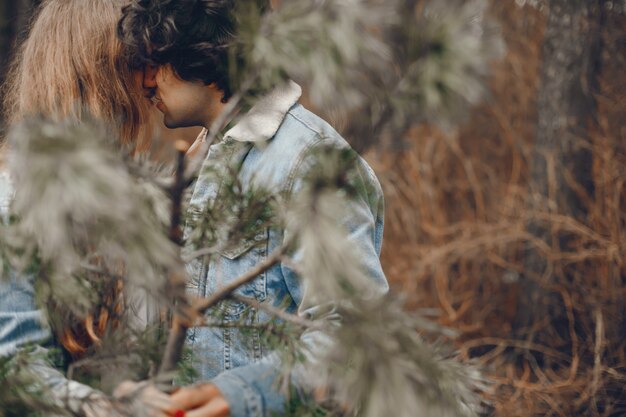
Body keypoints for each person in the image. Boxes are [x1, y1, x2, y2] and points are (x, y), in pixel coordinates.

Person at [118, 1, 388, 416]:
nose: (147, 81)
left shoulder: (311, 163)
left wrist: (244, 392)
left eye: (158, 60)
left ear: (204, 52)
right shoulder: (202, 156)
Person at [0, 0, 164, 415]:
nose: (152, 81)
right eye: (139, 64)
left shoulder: (138, 198)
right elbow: (16, 366)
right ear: (101, 79)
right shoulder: (12, 204)